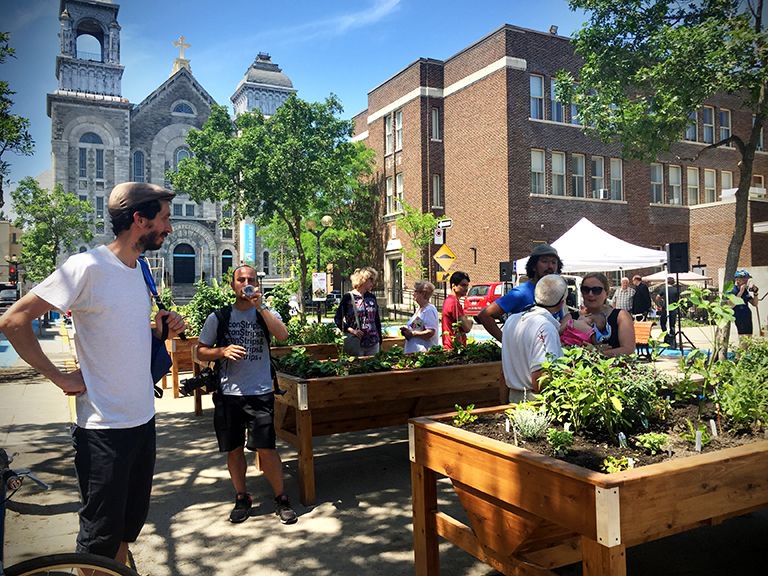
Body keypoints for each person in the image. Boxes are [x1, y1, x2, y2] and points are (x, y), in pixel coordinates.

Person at [0, 182, 186, 565]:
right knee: (98, 543)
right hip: (104, 433)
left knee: (124, 532)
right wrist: (60, 377)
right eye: (164, 219)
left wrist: (159, 330)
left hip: (143, 423)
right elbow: (14, 320)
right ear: (139, 219)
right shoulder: (86, 267)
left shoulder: (141, 270)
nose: (169, 228)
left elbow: (121, 334)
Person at [196, 264, 298, 525]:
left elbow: (283, 336)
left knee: (266, 448)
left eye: (251, 279)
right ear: (232, 285)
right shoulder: (219, 317)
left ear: (257, 283)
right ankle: (242, 496)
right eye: (240, 280)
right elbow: (199, 351)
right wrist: (221, 352)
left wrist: (260, 306)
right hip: (229, 393)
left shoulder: (265, 313)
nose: (246, 283)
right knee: (234, 449)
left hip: (260, 391)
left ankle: (281, 497)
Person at [501, 275, 567, 403]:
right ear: (561, 302)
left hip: (512, 398)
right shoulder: (545, 327)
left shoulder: (512, 320)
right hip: (534, 403)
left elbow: (504, 370)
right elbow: (540, 379)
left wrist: (502, 405)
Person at [477, 243, 563, 342]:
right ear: (534, 266)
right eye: (544, 261)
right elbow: (485, 315)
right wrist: (506, 343)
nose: (550, 266)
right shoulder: (521, 293)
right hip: (528, 355)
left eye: (554, 262)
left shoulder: (557, 292)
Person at [562, 272, 636, 357]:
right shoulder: (570, 317)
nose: (590, 294)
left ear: (606, 293)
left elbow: (628, 349)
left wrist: (594, 352)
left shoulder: (621, 316)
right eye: (585, 289)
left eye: (596, 290)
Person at [334, 266, 383, 356]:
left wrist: (380, 339)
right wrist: (351, 330)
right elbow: (338, 319)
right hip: (356, 341)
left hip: (373, 341)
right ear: (363, 279)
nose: (373, 283)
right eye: (371, 279)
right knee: (358, 368)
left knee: (374, 368)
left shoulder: (371, 297)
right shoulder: (348, 297)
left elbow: (376, 320)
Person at [400, 280, 440, 353]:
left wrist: (413, 333)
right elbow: (418, 328)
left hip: (423, 353)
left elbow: (430, 332)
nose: (413, 294)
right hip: (414, 352)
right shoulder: (420, 309)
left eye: (415, 291)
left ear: (423, 293)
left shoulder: (429, 310)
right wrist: (407, 332)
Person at [442, 271, 473, 349]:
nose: (466, 288)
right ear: (453, 286)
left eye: (467, 286)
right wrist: (470, 322)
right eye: (463, 285)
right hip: (454, 347)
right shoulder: (453, 303)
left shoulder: (450, 300)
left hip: (451, 346)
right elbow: (467, 328)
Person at [654, 276, 680, 345]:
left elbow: (657, 297)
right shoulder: (676, 290)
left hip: (665, 309)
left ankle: (666, 336)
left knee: (663, 323)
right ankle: (673, 340)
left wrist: (660, 305)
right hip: (673, 309)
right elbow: (678, 299)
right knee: (672, 325)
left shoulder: (664, 289)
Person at [732, 269, 759, 337]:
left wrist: (755, 293)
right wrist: (741, 291)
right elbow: (731, 305)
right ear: (737, 280)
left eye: (747, 279)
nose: (746, 281)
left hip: (747, 316)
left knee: (749, 336)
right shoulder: (733, 290)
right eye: (744, 279)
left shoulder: (745, 291)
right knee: (743, 337)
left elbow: (754, 303)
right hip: (739, 316)